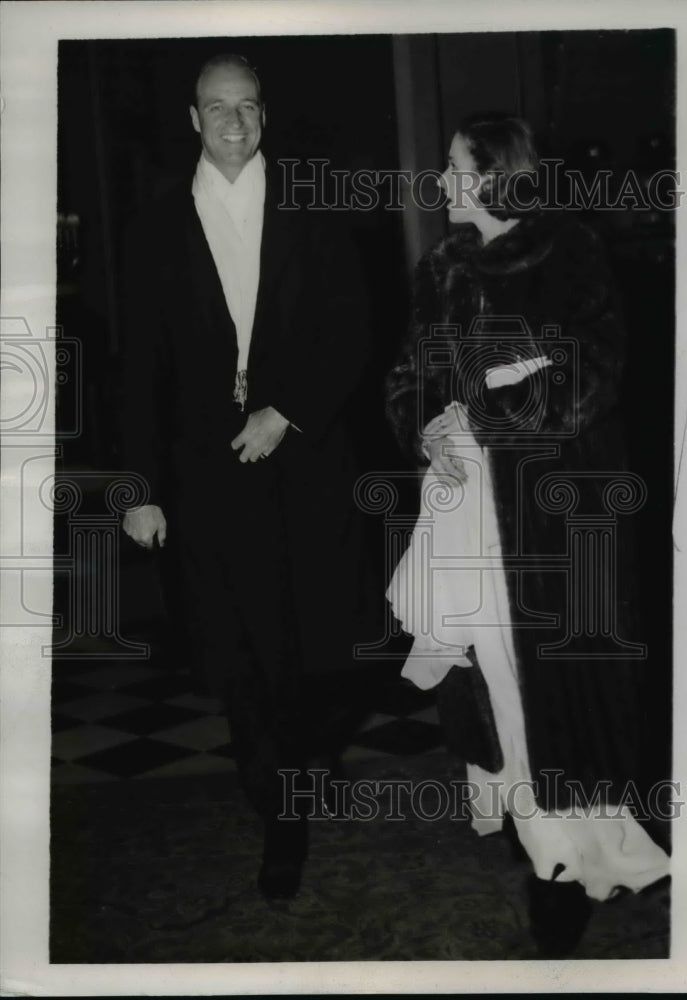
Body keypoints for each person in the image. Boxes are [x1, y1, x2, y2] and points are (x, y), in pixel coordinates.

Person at [385, 113, 669, 955]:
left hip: (550, 512)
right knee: (485, 672)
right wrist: (424, 428)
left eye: (455, 167)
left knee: (552, 682)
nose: (442, 180)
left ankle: (573, 857)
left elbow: (593, 374)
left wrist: (485, 405)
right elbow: (412, 373)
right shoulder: (440, 268)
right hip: (467, 502)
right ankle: (530, 829)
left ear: (496, 172)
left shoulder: (568, 251)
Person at [119, 54, 373, 900]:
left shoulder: (313, 202)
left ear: (266, 116)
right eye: (217, 108)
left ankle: (308, 755)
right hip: (205, 475)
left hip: (304, 457)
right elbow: (139, 366)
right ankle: (279, 811)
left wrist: (285, 409)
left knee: (323, 650)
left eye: (248, 107)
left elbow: (354, 325)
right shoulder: (157, 222)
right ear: (193, 120)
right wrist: (143, 487)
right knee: (243, 652)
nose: (234, 123)